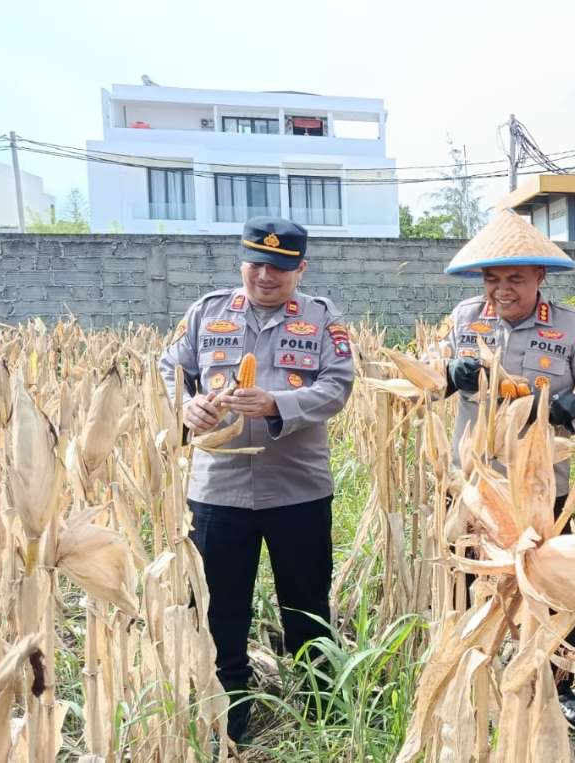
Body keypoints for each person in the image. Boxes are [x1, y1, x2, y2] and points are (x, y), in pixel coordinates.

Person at [160, 217, 356, 745]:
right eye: (258, 263)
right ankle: (231, 709)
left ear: (300, 269)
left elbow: (338, 387)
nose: (267, 275)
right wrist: (186, 406)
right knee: (219, 604)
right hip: (217, 490)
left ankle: (321, 706)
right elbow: (169, 370)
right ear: (242, 261)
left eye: (281, 267)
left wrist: (278, 403)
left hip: (297, 489)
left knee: (305, 603)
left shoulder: (320, 318)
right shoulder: (207, 312)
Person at [439, 210, 575, 732]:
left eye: (515, 278)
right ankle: (471, 679)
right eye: (493, 279)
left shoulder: (571, 328)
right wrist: (451, 373)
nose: (502, 289)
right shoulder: (464, 319)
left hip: (540, 487)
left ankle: (560, 689)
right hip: (472, 484)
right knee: (464, 585)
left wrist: (566, 410)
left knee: (550, 589)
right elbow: (431, 380)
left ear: (540, 277)